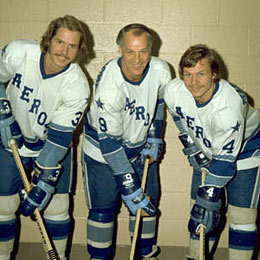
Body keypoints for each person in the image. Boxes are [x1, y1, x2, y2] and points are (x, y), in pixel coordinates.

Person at [0, 15, 90, 260]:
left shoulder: (77, 85)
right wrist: (2, 110)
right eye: (60, 42)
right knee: (3, 208)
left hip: (48, 146)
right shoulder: (19, 52)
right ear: (48, 40)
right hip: (9, 142)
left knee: (57, 208)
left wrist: (44, 181)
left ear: (79, 50)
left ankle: (58, 257)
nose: (64, 51)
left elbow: (59, 139)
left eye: (72, 46)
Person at [81, 23, 171, 260]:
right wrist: (130, 187)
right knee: (103, 212)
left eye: (143, 51)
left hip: (140, 148)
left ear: (151, 51)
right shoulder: (109, 87)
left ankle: (146, 254)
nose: (137, 59)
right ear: (120, 49)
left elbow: (159, 102)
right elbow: (109, 144)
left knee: (146, 209)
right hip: (102, 152)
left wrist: (154, 132)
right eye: (130, 51)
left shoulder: (161, 70)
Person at [164, 44, 260, 260]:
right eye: (188, 75)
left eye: (201, 74)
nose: (194, 82)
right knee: (200, 211)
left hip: (247, 147)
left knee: (240, 214)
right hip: (209, 146)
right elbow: (178, 115)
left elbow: (225, 162)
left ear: (214, 74)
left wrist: (207, 200)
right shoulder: (175, 91)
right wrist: (190, 146)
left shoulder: (227, 108)